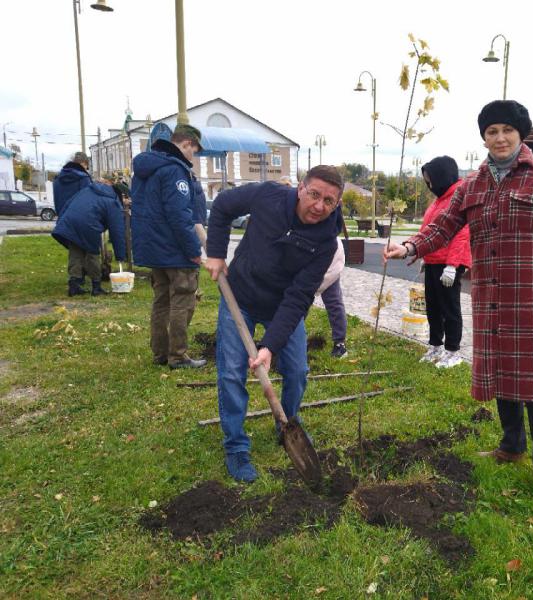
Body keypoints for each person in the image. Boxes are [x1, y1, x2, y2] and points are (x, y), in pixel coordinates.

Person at [384, 100, 533, 506]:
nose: (500, 137)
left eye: (507, 130)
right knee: (501, 373)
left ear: (521, 134)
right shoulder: (473, 184)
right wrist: (410, 246)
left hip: (531, 299)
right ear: (484, 138)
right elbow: (443, 227)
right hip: (490, 298)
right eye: (492, 131)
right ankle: (511, 446)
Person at [205, 165, 343, 483]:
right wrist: (216, 253)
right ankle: (236, 446)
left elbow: (299, 297)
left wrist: (269, 346)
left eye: (329, 201)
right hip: (240, 296)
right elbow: (223, 206)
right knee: (231, 372)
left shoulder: (326, 242)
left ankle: (287, 423)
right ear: (300, 188)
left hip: (282, 306)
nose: (319, 206)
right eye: (314, 194)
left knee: (297, 370)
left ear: (337, 204)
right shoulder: (268, 196)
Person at [130, 124, 206, 370]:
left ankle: (160, 352)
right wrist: (194, 251)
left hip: (154, 248)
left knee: (161, 301)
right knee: (183, 299)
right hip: (175, 249)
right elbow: (180, 215)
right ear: (186, 144)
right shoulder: (175, 170)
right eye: (194, 151)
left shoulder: (145, 169)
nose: (193, 157)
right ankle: (178, 356)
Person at [278, 175, 349, 358]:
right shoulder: (290, 210)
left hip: (330, 260)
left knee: (332, 301)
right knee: (300, 299)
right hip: (308, 260)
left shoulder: (322, 210)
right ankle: (291, 338)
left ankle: (340, 343)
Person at [417, 156, 471, 368]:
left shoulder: (458, 199)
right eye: (427, 181)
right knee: (433, 307)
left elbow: (462, 234)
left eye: (431, 180)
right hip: (433, 260)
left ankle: (453, 351)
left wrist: (452, 265)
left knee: (450, 309)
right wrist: (424, 255)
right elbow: (428, 230)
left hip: (448, 264)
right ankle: (436, 346)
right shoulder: (438, 201)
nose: (430, 185)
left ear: (442, 177)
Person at [51, 181, 127, 296]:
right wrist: (121, 255)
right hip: (88, 225)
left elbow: (67, 204)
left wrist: (62, 222)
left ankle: (74, 285)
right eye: (127, 198)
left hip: (70, 221)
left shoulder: (89, 189)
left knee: (75, 252)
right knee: (92, 254)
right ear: (122, 195)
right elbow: (117, 231)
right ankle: (96, 287)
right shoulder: (113, 202)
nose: (127, 201)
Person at [53, 151, 92, 216]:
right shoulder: (84, 178)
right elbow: (88, 202)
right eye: (86, 167)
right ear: (83, 163)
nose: (86, 169)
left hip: (62, 218)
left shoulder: (57, 178)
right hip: (80, 218)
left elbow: (56, 202)